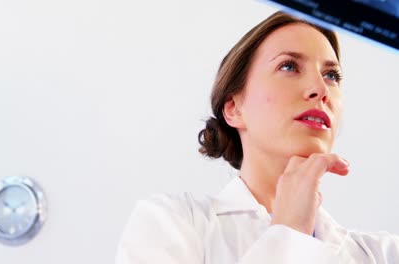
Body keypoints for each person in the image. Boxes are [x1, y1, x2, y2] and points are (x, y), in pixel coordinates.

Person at [115, 11, 399, 263]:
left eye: (331, 75)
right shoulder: (172, 223)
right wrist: (289, 233)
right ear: (234, 108)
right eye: (289, 66)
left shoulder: (383, 254)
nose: (320, 88)